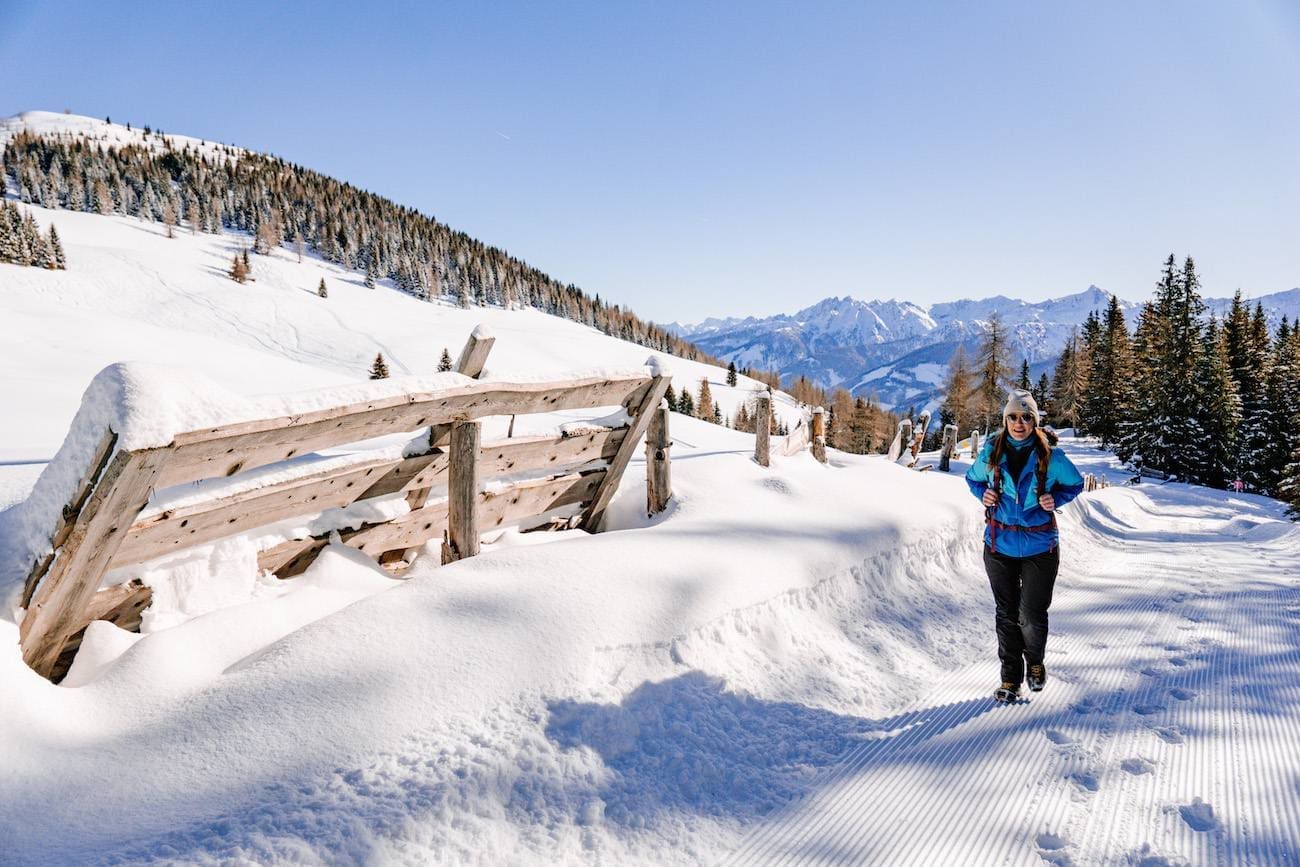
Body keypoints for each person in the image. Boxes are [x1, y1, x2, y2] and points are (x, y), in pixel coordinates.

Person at [965, 390, 1084, 703]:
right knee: (1006, 614)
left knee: (1030, 614)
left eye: (1026, 416)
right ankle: (1010, 678)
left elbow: (1076, 484)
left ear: (1035, 421)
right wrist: (984, 494)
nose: (1019, 423)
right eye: (1013, 417)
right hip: (998, 544)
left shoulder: (1051, 457)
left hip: (1039, 546)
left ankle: (1035, 661)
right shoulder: (991, 451)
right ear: (1005, 420)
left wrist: (1054, 499)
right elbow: (972, 479)